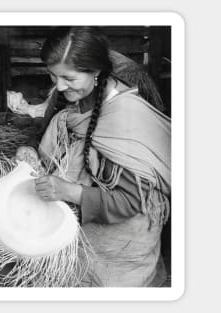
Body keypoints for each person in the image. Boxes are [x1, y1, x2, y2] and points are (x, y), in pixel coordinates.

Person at [10, 26, 171, 287]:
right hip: (75, 205)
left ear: (95, 72)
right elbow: (47, 127)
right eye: (52, 76)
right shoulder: (73, 93)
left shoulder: (124, 120)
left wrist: (69, 192)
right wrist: (28, 149)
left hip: (118, 240)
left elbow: (129, 202)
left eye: (68, 79)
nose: (59, 86)